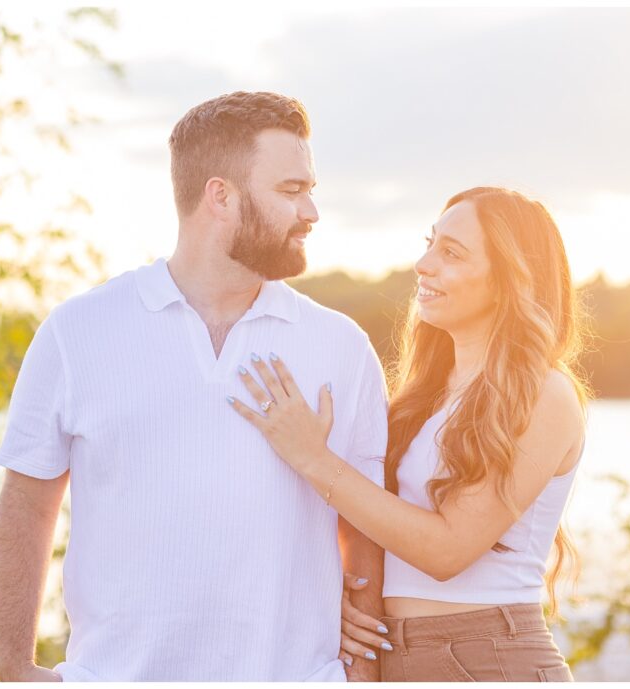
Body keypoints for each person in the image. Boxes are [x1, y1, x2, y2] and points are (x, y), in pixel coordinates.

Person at [0, 92, 387, 682]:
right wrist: (14, 667)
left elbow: (368, 526)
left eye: (310, 189)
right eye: (290, 190)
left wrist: (362, 673)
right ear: (220, 196)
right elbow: (26, 504)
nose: (312, 212)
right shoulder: (78, 332)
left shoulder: (341, 346)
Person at [228, 186, 587, 681]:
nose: (424, 264)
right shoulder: (428, 395)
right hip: (399, 654)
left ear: (509, 280)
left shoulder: (546, 393)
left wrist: (313, 456)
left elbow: (448, 551)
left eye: (451, 253)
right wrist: (339, 602)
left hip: (488, 657)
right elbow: (373, 523)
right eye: (430, 242)